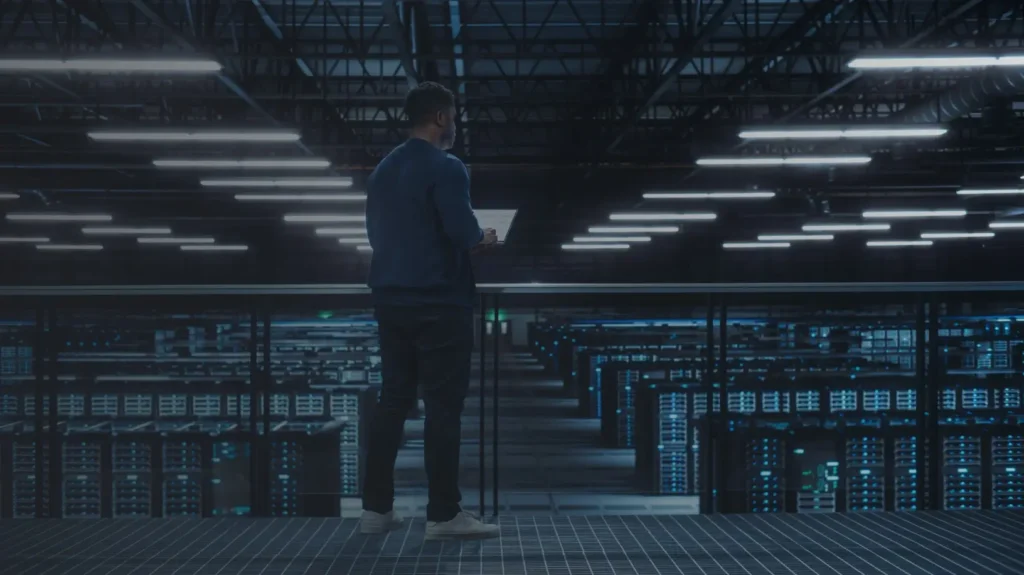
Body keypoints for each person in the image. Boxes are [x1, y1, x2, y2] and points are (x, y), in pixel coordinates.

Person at [359, 81, 500, 540]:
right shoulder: (447, 166)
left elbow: (381, 235)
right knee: (442, 407)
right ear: (441, 118)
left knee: (393, 401)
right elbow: (463, 233)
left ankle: (375, 510)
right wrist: (485, 239)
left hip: (390, 299)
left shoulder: (383, 170)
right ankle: (443, 514)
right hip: (440, 302)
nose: (455, 126)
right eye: (454, 117)